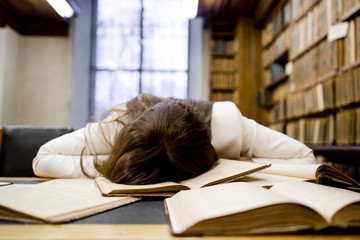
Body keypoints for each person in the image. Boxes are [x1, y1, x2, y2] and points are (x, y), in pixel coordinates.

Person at [32, 93, 316, 184]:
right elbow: (42, 159)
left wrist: (244, 163)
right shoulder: (116, 127)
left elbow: (305, 159)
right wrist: (123, 161)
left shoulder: (227, 125)